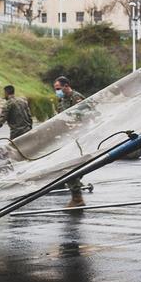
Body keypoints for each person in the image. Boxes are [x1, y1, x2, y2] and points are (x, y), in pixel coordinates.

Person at [54, 76, 87, 207]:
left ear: (66, 86)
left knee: (72, 165)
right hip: (67, 138)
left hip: (79, 137)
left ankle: (77, 196)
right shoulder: (62, 100)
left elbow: (88, 116)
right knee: (71, 165)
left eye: (58, 88)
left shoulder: (77, 98)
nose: (57, 91)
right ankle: (75, 189)